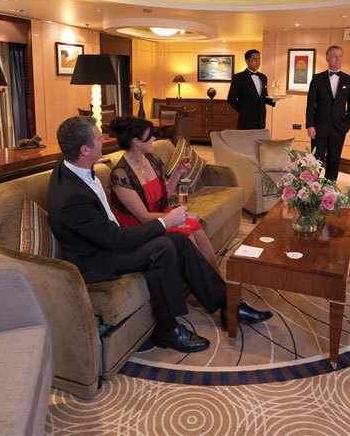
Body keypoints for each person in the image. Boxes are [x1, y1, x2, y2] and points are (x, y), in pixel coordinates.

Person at [47, 116, 272, 354]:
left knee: (180, 241)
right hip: (96, 259)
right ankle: (167, 329)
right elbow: (116, 240)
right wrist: (165, 222)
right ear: (84, 150)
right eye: (97, 138)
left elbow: (111, 229)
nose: (103, 140)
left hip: (108, 238)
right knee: (162, 247)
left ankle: (228, 305)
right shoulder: (71, 197)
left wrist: (95, 158)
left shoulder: (72, 164)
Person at [109, 116, 222, 276]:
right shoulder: (120, 175)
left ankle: (218, 281)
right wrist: (181, 216)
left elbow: (163, 197)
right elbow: (144, 217)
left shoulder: (152, 159)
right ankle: (205, 283)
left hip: (160, 214)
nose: (154, 139)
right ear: (136, 142)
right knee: (187, 235)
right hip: (140, 226)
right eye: (150, 136)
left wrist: (177, 173)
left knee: (198, 230)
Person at [305, 45, 350, 181]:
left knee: (334, 160)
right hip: (319, 127)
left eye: (340, 56)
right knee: (316, 161)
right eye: (334, 56)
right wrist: (310, 125)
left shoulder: (349, 80)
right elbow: (310, 104)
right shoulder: (317, 79)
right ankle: (312, 188)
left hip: (339, 128)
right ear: (327, 59)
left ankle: (330, 189)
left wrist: (347, 125)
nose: (338, 59)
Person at [227, 49, 277, 129]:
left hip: (261, 120)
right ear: (247, 61)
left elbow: (263, 97)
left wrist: (274, 100)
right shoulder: (239, 77)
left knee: (259, 137)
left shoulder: (263, 77)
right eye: (254, 59)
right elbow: (231, 98)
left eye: (259, 59)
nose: (258, 62)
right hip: (246, 121)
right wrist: (242, 111)